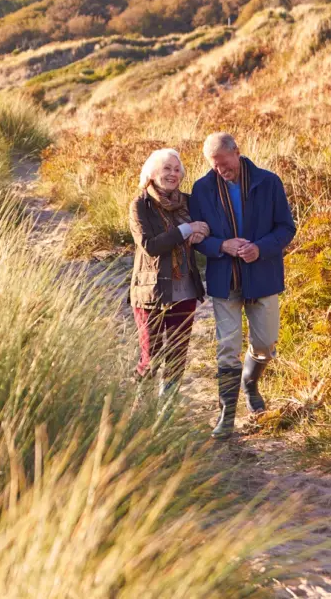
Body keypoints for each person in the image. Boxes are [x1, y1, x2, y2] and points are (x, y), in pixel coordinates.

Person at [189, 133, 296, 439]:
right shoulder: (202, 189)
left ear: (237, 152)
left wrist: (260, 248)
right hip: (225, 280)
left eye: (225, 163)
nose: (221, 171)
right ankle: (226, 415)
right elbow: (198, 239)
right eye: (215, 166)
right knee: (226, 349)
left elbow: (286, 228)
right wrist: (221, 245)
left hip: (262, 276)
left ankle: (250, 383)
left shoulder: (269, 182)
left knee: (265, 344)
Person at [128, 148, 209, 398]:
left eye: (176, 169)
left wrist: (201, 232)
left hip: (185, 289)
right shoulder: (141, 204)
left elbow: (205, 226)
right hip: (150, 291)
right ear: (152, 173)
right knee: (150, 355)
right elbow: (150, 246)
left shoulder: (188, 201)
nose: (172, 174)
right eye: (166, 168)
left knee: (177, 353)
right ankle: (140, 404)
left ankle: (167, 411)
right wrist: (186, 230)